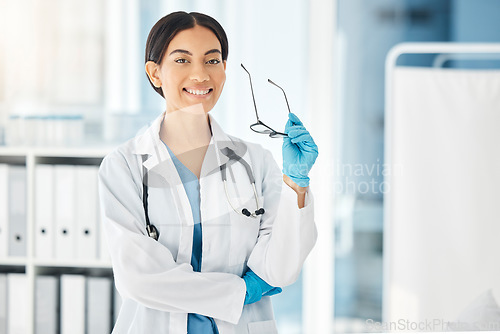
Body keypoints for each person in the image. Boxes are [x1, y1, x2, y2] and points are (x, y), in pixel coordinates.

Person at [98, 11, 318, 334]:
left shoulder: (255, 163)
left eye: (212, 61)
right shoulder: (124, 167)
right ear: (155, 73)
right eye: (182, 60)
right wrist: (240, 292)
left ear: (225, 70)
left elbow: (280, 269)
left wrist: (295, 184)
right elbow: (140, 279)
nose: (200, 75)